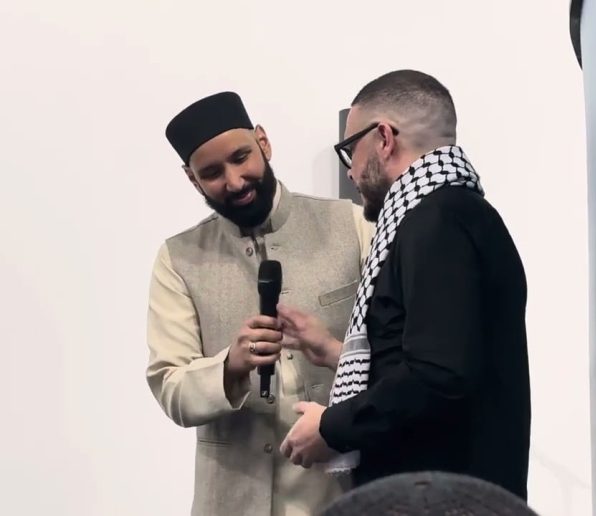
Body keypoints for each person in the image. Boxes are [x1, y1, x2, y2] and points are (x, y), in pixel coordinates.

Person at [278, 70, 531, 500]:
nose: (351, 172)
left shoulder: (436, 221)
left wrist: (331, 427)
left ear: (383, 138)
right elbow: (442, 356)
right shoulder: (455, 214)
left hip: (440, 502)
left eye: (350, 150)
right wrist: (335, 352)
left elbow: (437, 374)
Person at [146, 91, 374, 516]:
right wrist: (229, 366)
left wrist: (332, 354)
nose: (234, 182)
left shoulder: (350, 225)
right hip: (230, 501)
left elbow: (395, 358)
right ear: (192, 180)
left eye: (241, 158)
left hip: (340, 495)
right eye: (212, 173)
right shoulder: (179, 259)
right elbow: (170, 385)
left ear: (263, 143)